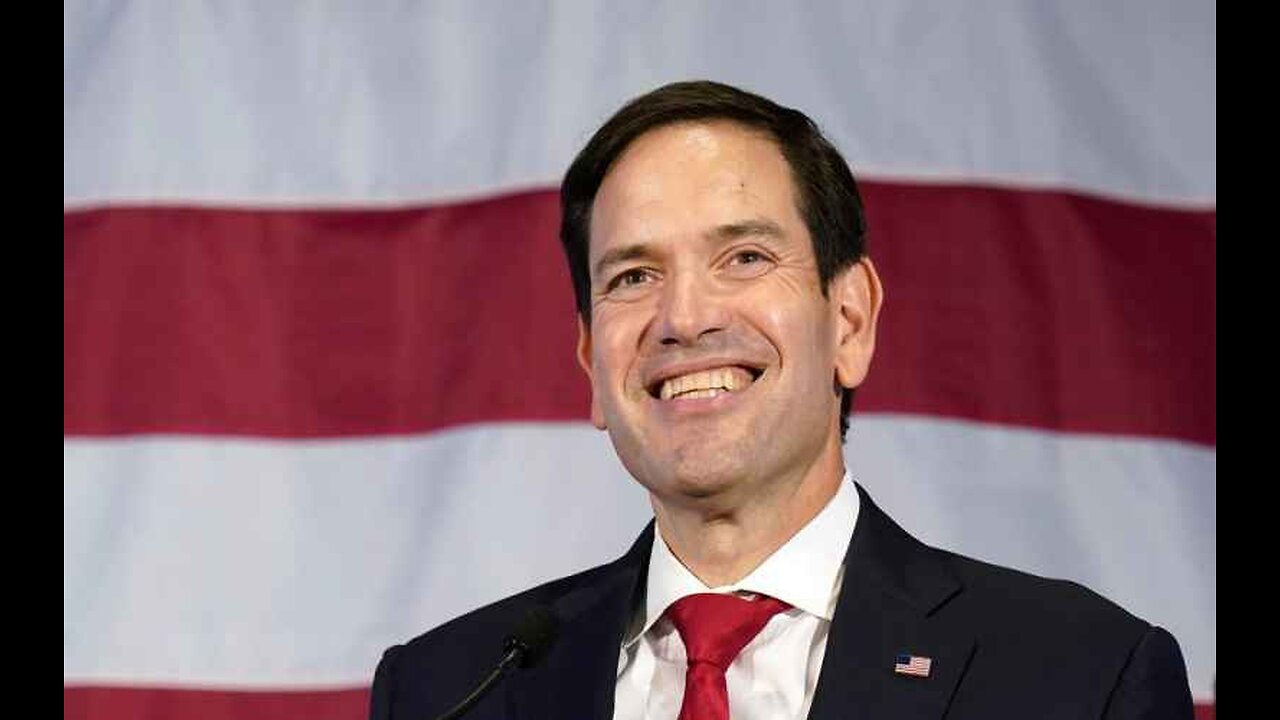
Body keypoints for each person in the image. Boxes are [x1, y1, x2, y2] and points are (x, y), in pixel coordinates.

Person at [370, 80, 1194, 719]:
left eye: (745, 257)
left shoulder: (1081, 677)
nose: (684, 318)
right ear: (591, 364)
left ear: (850, 320)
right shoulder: (451, 688)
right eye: (633, 276)